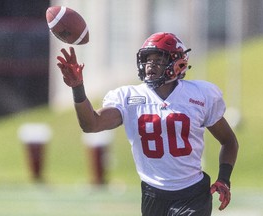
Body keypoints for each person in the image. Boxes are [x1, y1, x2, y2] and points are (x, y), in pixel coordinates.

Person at [57, 32, 239, 216]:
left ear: (179, 64)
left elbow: (229, 141)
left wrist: (224, 179)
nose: (150, 64)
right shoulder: (129, 97)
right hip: (153, 194)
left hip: (192, 193)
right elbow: (91, 124)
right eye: (148, 59)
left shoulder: (199, 95)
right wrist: (77, 87)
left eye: (159, 59)